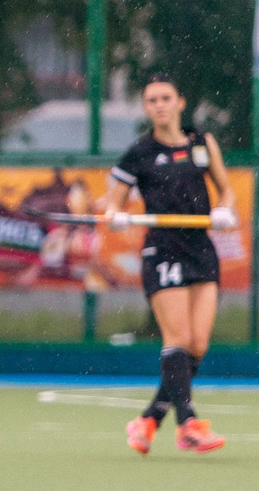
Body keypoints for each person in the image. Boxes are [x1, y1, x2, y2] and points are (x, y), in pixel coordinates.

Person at [99, 77, 238, 454]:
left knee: (198, 344)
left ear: (180, 103)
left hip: (200, 248)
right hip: (163, 250)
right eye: (152, 100)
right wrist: (116, 216)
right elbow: (113, 203)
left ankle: (148, 419)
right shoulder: (139, 153)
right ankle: (188, 424)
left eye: (165, 98)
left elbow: (225, 190)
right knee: (177, 339)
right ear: (146, 108)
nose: (159, 105)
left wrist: (224, 210)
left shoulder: (202, 144)